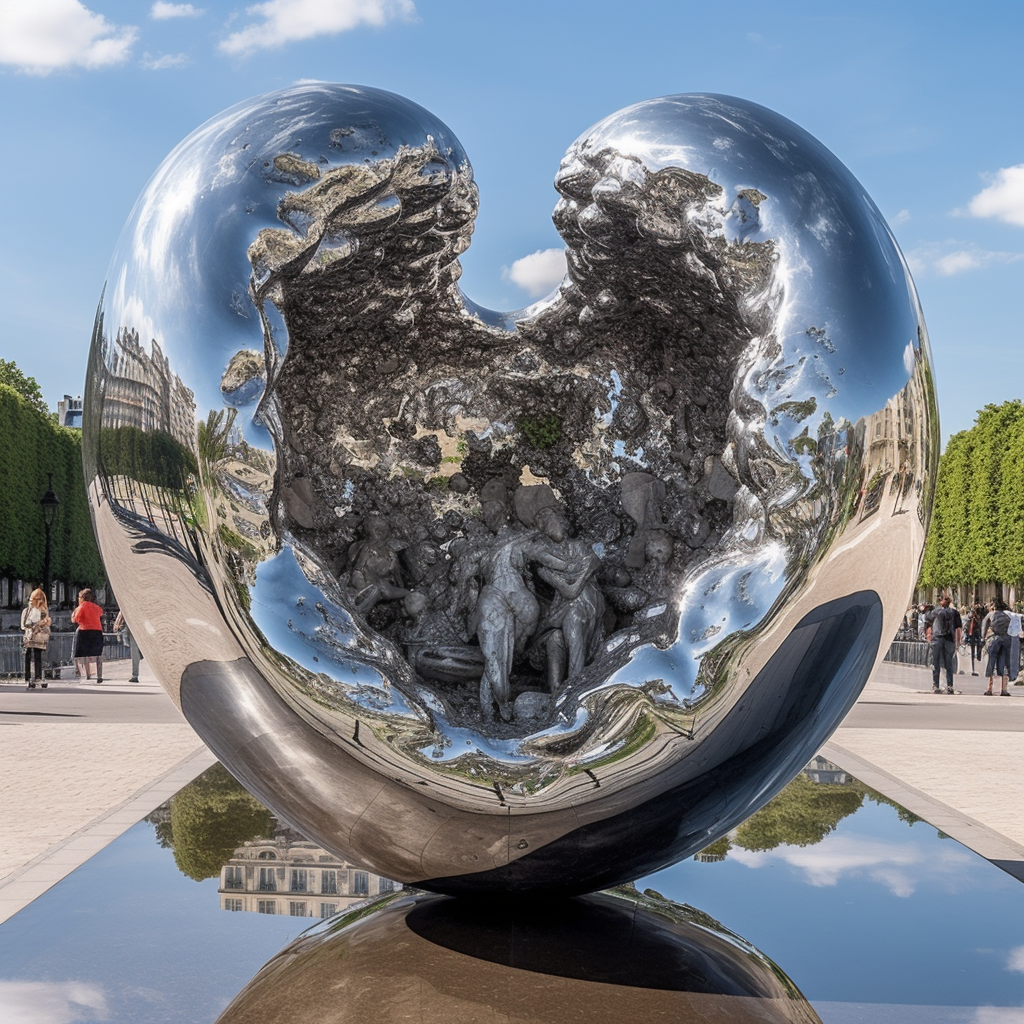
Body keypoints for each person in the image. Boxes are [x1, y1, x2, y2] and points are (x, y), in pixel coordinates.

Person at [924, 594, 962, 694]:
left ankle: (936, 685)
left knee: (936, 662)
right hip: (949, 639)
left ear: (941, 602)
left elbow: (927, 620)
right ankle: (949, 686)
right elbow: (958, 628)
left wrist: (928, 635)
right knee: (948, 664)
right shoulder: (954, 613)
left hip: (937, 639)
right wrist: (958, 641)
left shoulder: (935, 612)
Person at [20, 587, 52, 690]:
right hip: (33, 637)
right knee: (32, 656)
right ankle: (31, 677)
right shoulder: (30, 610)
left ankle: (35, 677)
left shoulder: (43, 611)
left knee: (35, 656)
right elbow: (25, 624)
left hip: (35, 637)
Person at [72, 588, 105, 683]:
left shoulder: (81, 607)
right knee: (98, 655)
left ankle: (88, 674)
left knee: (85, 654)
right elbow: (100, 613)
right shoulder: (96, 607)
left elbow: (75, 619)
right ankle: (99, 675)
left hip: (84, 631)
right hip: (97, 631)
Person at [981, 598, 1012, 697]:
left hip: (994, 640)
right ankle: (1004, 689)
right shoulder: (1007, 616)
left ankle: (989, 688)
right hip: (1006, 639)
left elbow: (984, 626)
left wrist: (983, 637)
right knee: (1003, 664)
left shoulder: (991, 615)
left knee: (991, 662)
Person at [113, 608, 142, 682]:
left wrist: (117, 623)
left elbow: (122, 611)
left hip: (133, 628)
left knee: (134, 652)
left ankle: (135, 675)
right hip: (139, 627)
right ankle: (135, 675)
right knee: (135, 652)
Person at [964, 601, 985, 676]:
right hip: (972, 633)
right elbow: (968, 625)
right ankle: (973, 664)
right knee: (973, 648)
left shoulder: (979, 617)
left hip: (975, 633)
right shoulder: (971, 617)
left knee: (978, 645)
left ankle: (977, 657)